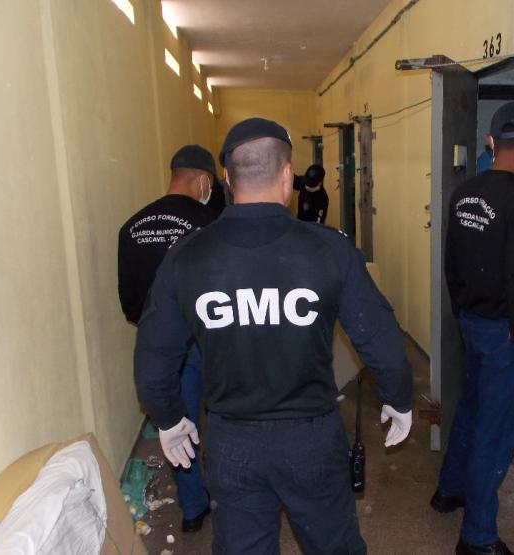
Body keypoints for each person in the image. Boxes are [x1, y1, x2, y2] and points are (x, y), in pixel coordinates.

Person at [134, 117, 414, 554]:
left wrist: (168, 419)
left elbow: (153, 359)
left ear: (227, 180)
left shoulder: (187, 257)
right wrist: (398, 396)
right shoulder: (329, 249)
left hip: (232, 442)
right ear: (287, 176)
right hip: (312, 439)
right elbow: (378, 336)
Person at [432, 101, 514, 555]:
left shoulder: (463, 195)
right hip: (503, 334)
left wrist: (463, 313)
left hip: (471, 322)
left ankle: (449, 491)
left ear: (490, 141)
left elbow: (452, 264)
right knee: (494, 432)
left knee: (470, 408)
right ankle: (478, 538)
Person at [117, 144, 221, 533]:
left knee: (179, 424)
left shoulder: (131, 227)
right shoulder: (210, 223)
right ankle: (233, 489)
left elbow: (129, 301)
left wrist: (153, 329)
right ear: (203, 181)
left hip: (162, 344)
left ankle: (193, 509)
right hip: (209, 338)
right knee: (226, 414)